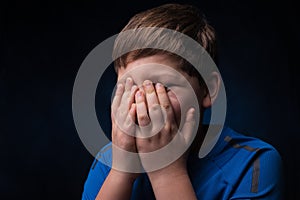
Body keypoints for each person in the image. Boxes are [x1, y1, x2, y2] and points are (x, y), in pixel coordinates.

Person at [82, 3, 282, 200]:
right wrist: (121, 172)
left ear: (207, 89)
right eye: (129, 89)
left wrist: (166, 172)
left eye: (161, 87)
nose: (143, 105)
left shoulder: (253, 163)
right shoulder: (108, 161)